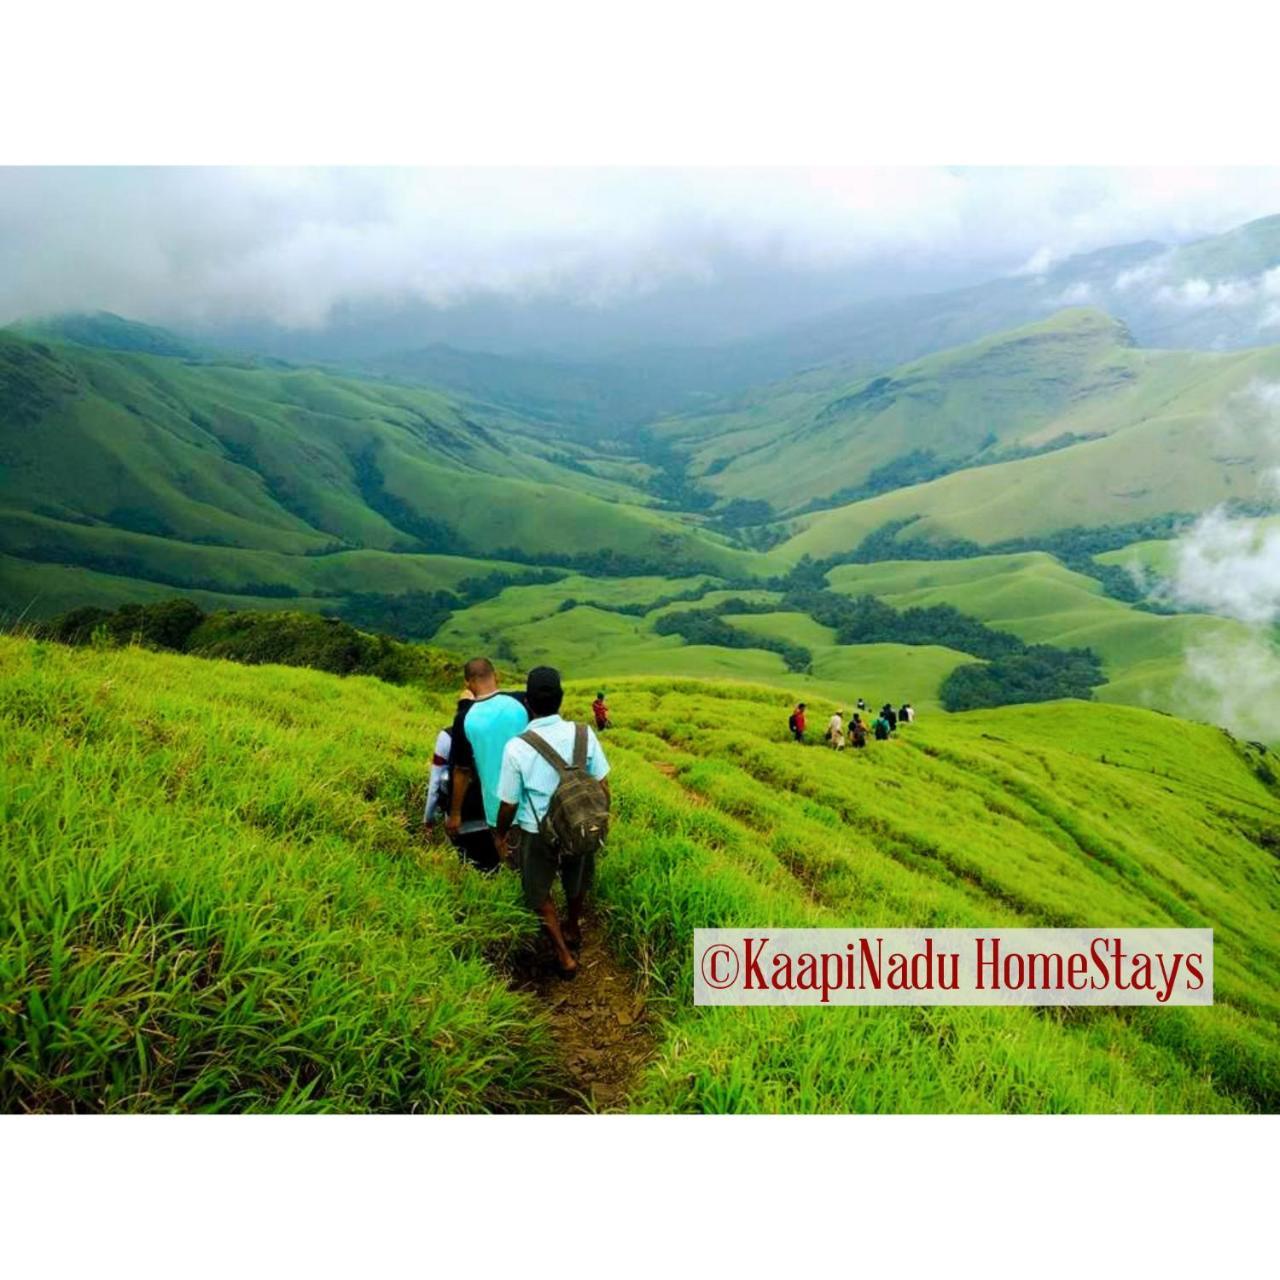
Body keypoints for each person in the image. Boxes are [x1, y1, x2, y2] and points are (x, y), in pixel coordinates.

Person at [495, 667, 611, 979]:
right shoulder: (584, 733)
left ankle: (563, 955)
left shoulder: (517, 747)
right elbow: (603, 786)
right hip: (579, 826)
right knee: (576, 879)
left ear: (528, 704)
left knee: (538, 890)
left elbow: (509, 803)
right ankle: (573, 927)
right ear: (560, 699)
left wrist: (501, 835)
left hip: (537, 831)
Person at [446, 657, 529, 863]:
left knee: (514, 869)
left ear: (467, 683)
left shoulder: (464, 718)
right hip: (537, 802)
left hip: (499, 811)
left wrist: (455, 814)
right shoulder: (520, 702)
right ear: (497, 676)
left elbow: (462, 771)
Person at [425, 692, 499, 871]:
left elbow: (435, 781)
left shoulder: (447, 736)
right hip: (493, 816)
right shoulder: (493, 734)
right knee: (493, 868)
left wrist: (428, 818)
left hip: (460, 817)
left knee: (466, 867)